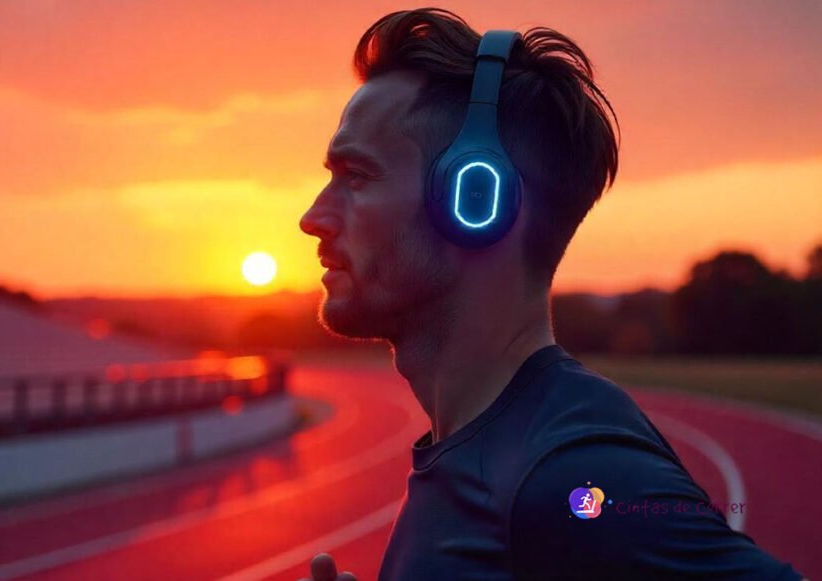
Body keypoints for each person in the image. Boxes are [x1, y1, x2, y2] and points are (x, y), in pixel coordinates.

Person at [297, 8, 805, 581]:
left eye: (356, 177)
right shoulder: (489, 448)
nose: (312, 218)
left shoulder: (572, 473)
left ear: (473, 199)